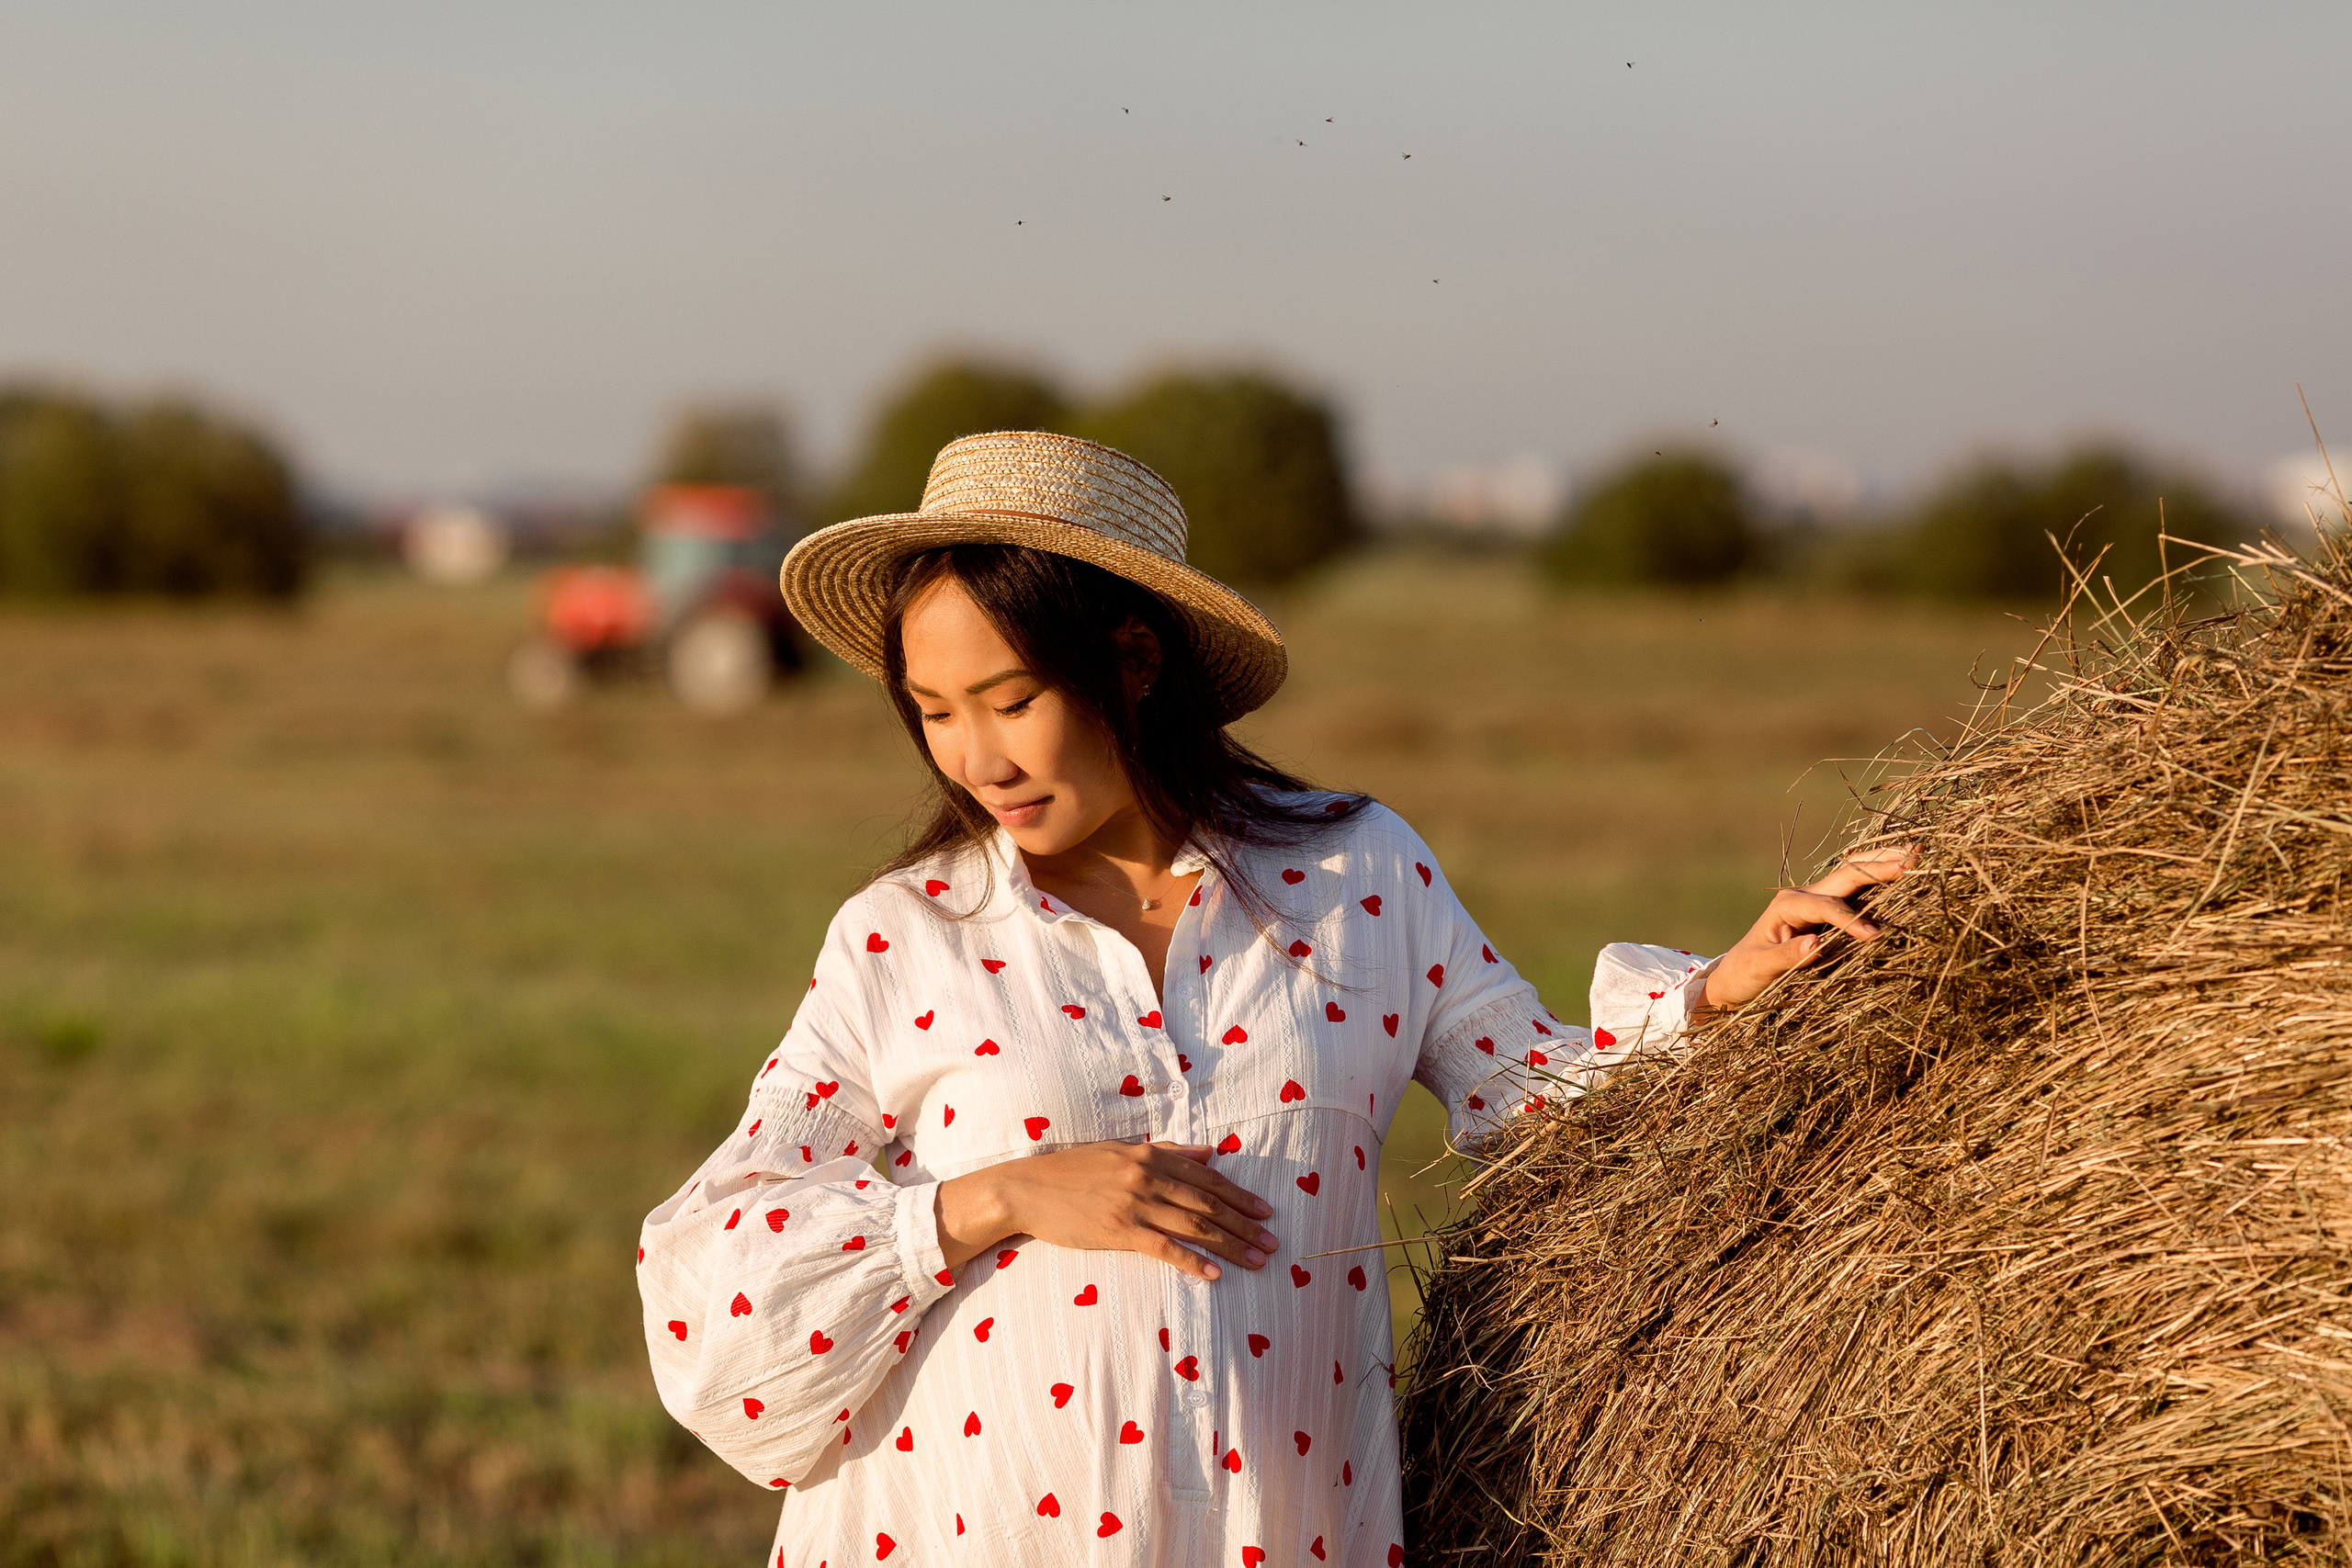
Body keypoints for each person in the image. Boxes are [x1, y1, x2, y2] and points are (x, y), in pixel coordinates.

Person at [634, 432, 1907, 1566]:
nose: (979, 758)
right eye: (935, 713)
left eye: (1011, 700)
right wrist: (998, 1195)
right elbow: (721, 1262)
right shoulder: (906, 935)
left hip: (1271, 1523)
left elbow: (1536, 1095)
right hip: (968, 1524)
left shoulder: (1358, 874)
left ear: (1132, 661)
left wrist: (1727, 995)